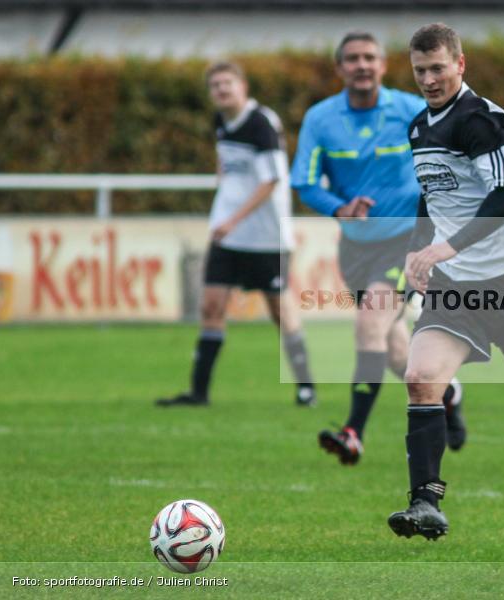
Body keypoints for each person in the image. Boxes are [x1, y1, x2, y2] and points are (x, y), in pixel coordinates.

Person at [386, 23, 504, 541]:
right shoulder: (419, 127)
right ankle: (426, 503)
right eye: (420, 70)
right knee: (421, 377)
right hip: (456, 286)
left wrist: (444, 248)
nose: (429, 79)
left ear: (460, 64)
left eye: (438, 68)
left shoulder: (483, 119)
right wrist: (416, 254)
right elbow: (431, 198)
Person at [291, 32, 465, 465]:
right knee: (392, 351)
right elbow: (304, 181)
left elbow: (450, 160)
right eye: (352, 59)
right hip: (355, 249)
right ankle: (449, 393)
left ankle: (353, 432)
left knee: (370, 324)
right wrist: (338, 207)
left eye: (370, 57)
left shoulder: (410, 110)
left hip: (405, 245)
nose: (362, 65)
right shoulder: (321, 118)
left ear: (383, 66)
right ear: (340, 68)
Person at [157, 61, 315, 408]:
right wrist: (224, 191)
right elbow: (225, 162)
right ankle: (198, 393)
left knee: (279, 311)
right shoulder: (220, 122)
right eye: (215, 86)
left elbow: (271, 179)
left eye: (227, 83)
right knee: (211, 305)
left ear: (243, 86)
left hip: (265, 236)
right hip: (228, 235)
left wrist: (234, 218)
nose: (221, 91)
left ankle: (305, 386)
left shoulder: (261, 124)